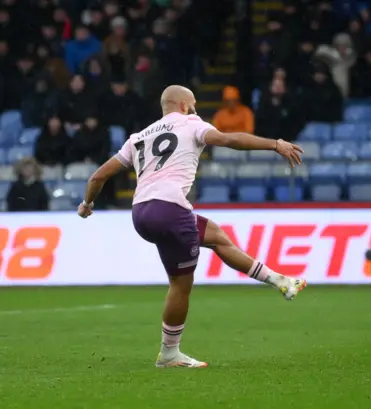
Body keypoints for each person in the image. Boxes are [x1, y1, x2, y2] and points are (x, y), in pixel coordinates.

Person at [77, 85, 307, 368]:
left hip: (141, 213)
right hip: (170, 209)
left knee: (217, 237)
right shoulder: (191, 124)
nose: (196, 108)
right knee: (180, 284)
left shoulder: (137, 138)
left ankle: (281, 281)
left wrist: (87, 204)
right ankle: (169, 354)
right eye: (194, 104)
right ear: (184, 105)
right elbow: (228, 139)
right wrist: (274, 144)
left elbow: (99, 176)